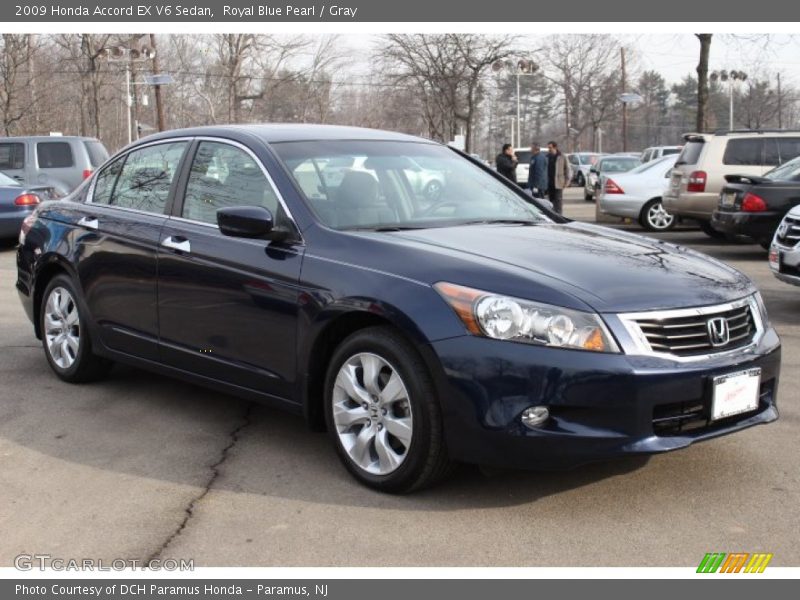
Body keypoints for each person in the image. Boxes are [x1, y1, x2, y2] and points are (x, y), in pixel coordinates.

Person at [545, 141, 572, 214]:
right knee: (550, 202)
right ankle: (552, 216)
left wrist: (567, 182)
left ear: (555, 147)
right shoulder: (547, 157)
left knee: (558, 201)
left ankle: (559, 216)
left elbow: (568, 169)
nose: (549, 149)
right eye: (548, 148)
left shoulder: (562, 156)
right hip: (550, 183)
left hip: (559, 183)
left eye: (550, 148)